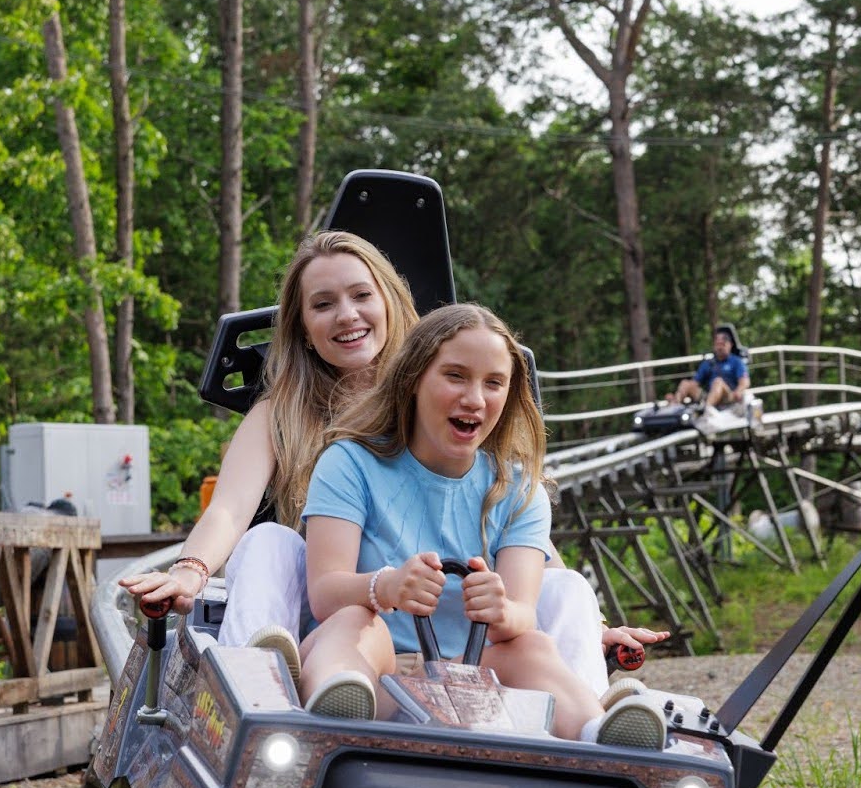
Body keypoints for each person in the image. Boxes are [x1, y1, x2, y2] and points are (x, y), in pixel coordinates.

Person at [120, 231, 664, 695]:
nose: (347, 315)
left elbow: (513, 519)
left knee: (565, 588)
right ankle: (260, 691)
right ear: (302, 325)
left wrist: (593, 624)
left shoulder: (441, 397)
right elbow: (230, 510)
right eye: (323, 304)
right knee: (267, 542)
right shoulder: (280, 414)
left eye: (361, 295)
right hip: (338, 607)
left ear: (389, 301)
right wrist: (190, 572)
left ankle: (590, 724)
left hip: (441, 612)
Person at [299, 304, 666, 748]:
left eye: (493, 383)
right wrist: (388, 586)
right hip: (384, 674)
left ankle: (599, 731)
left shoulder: (517, 490)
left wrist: (501, 609)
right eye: (455, 376)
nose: (475, 398)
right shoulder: (351, 463)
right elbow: (324, 593)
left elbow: (523, 614)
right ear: (413, 379)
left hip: (474, 681)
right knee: (357, 621)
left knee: (532, 648)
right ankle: (337, 700)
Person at [668, 325, 750, 410]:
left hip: (728, 396)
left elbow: (744, 382)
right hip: (709, 396)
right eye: (717, 344)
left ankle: (706, 411)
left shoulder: (736, 361)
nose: (720, 347)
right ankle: (673, 406)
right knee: (685, 383)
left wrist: (738, 391)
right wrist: (681, 392)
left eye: (723, 344)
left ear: (730, 345)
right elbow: (695, 382)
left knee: (718, 382)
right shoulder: (708, 363)